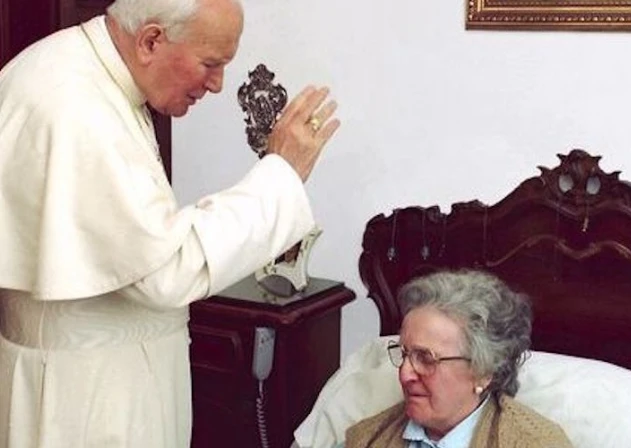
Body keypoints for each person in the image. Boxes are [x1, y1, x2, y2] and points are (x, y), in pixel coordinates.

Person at [0, 0, 339, 446]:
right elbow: (165, 269)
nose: (218, 85)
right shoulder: (76, 107)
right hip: (86, 403)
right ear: (151, 40)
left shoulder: (85, 74)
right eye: (210, 63)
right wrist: (280, 174)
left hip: (102, 382)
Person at [343, 270, 573, 448]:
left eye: (426, 358)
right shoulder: (367, 438)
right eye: (404, 354)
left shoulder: (536, 442)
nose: (405, 374)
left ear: (483, 370)